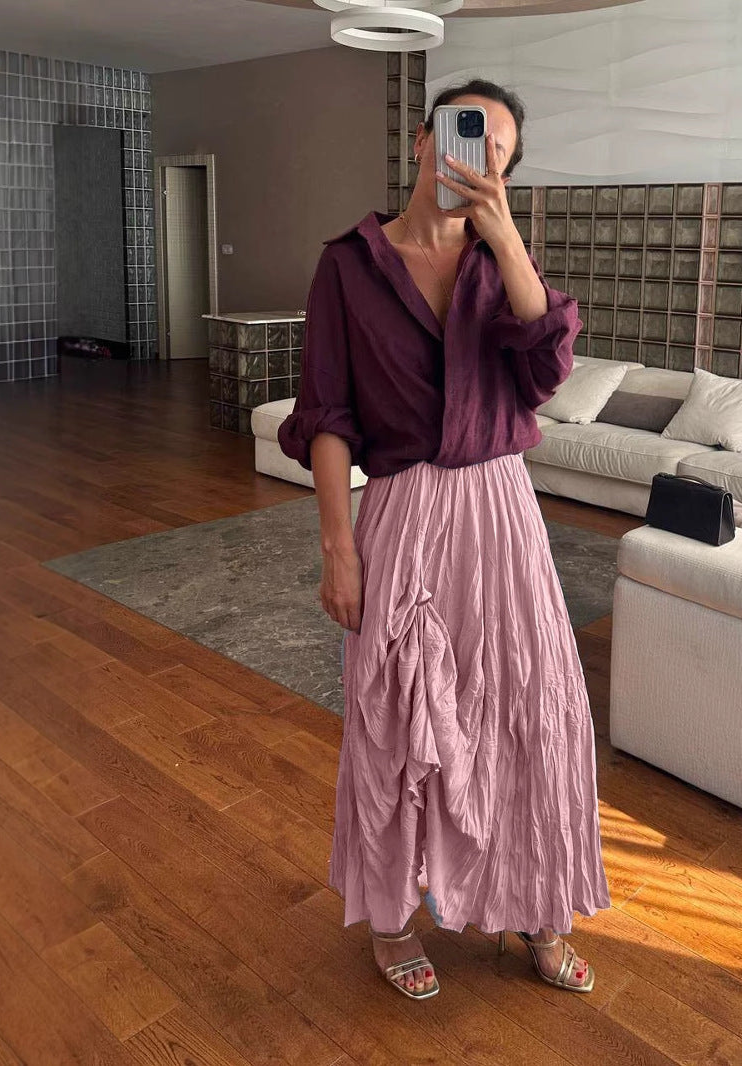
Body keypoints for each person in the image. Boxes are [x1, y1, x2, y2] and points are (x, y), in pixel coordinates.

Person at [278, 78, 610, 1001]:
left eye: (498, 149)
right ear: (424, 140)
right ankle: (391, 919)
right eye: (467, 133)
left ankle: (535, 906)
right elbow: (328, 413)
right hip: (401, 511)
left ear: (506, 170)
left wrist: (505, 238)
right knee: (396, 716)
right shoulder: (348, 265)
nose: (478, 155)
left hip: (501, 510)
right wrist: (338, 549)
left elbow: (546, 368)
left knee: (528, 708)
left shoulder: (499, 267)